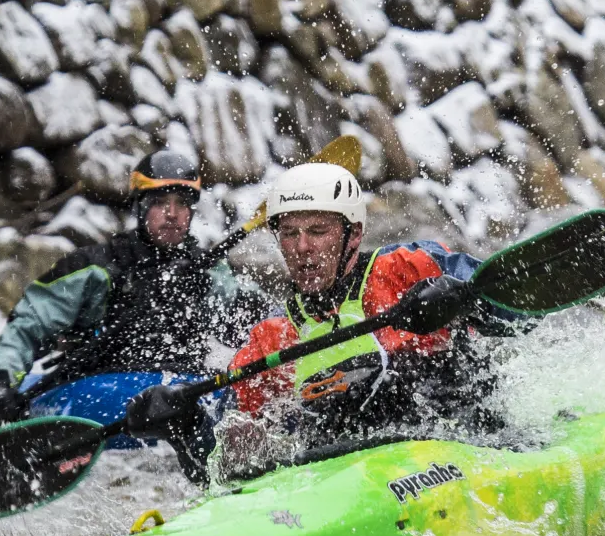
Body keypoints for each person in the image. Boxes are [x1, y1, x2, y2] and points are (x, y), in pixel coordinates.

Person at [125, 163, 486, 464]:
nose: (302, 248)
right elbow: (220, 464)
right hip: (356, 480)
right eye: (289, 233)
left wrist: (468, 299)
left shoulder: (408, 270)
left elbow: (514, 305)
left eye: (317, 231)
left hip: (460, 447)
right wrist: (184, 426)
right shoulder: (272, 341)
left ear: (354, 234)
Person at [0, 150, 262, 428]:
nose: (172, 214)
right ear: (140, 206)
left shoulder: (208, 271)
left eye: (182, 203)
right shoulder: (95, 267)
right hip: (102, 388)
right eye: (160, 203)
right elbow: (29, 325)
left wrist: (213, 295)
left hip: (181, 389)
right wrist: (0, 385)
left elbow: (248, 325)